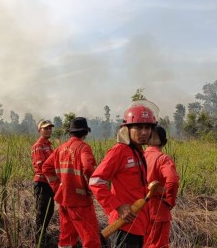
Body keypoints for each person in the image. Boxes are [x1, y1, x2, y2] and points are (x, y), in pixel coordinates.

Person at [89, 104, 157, 248]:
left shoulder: (138, 152)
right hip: (124, 225)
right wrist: (118, 207)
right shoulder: (119, 151)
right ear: (127, 129)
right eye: (139, 128)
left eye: (148, 127)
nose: (144, 132)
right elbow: (96, 181)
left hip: (139, 223)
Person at [42, 117, 101, 248]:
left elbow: (46, 167)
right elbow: (87, 168)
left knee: (66, 239)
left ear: (70, 132)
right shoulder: (83, 148)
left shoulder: (60, 149)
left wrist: (58, 186)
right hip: (80, 201)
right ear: (85, 133)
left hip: (64, 199)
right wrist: (92, 188)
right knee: (91, 239)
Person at [144, 126, 180, 248]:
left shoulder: (138, 157)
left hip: (139, 209)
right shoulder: (162, 159)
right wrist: (170, 201)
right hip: (158, 210)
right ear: (165, 142)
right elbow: (173, 181)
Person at [31, 119, 55, 245]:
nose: (48, 130)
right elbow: (42, 166)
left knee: (49, 211)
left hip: (49, 183)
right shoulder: (38, 145)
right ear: (40, 130)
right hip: (42, 183)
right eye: (45, 128)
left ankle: (43, 235)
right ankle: (38, 240)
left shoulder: (49, 145)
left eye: (50, 128)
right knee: (41, 212)